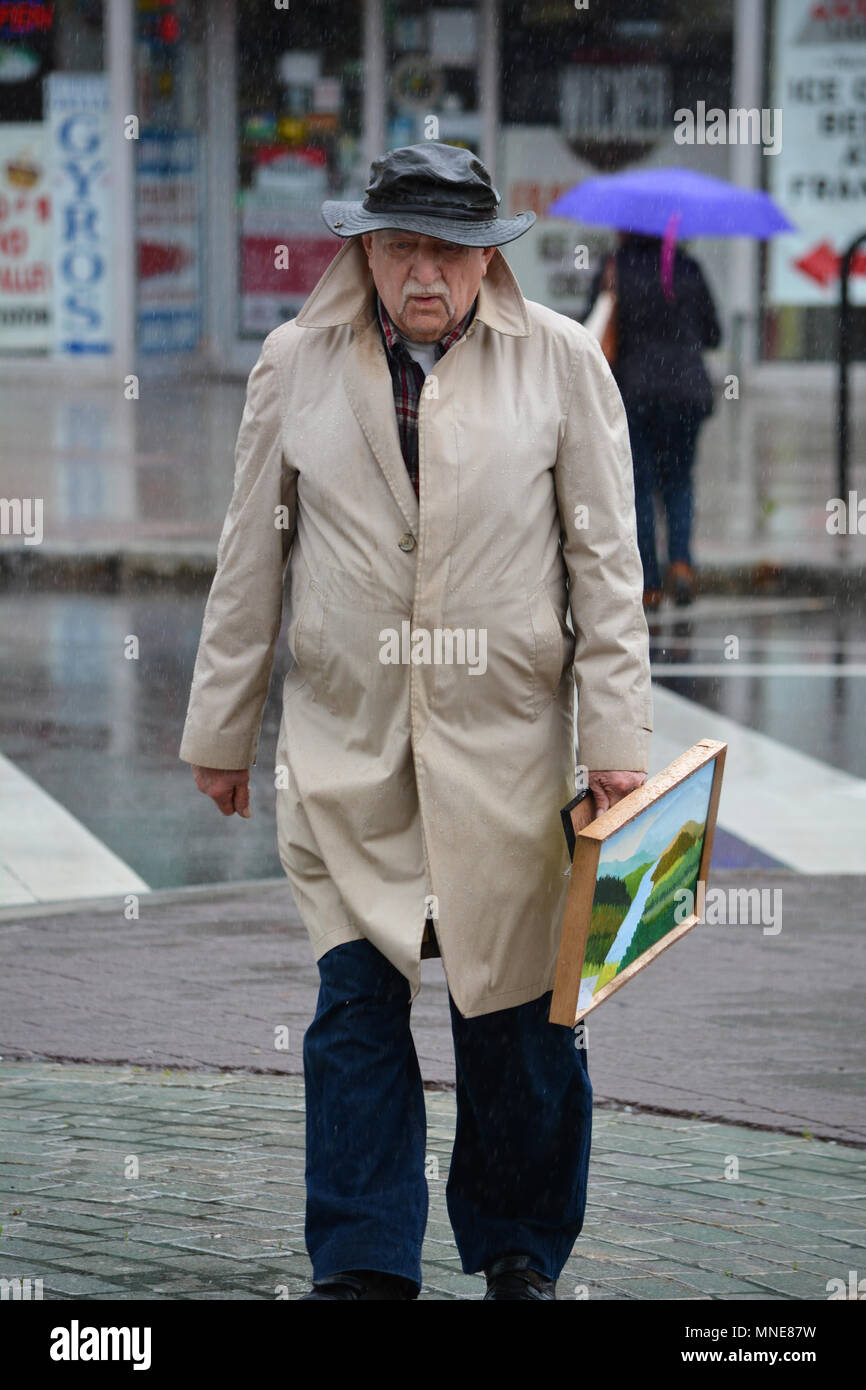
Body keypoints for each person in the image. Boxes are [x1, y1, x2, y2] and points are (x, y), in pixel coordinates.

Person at [179, 143, 652, 1300]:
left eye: (449, 249)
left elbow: (605, 568)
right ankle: (362, 1261)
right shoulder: (296, 365)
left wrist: (617, 747)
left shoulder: (557, 368)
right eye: (401, 248)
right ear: (366, 251)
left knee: (519, 1030)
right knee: (353, 1011)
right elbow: (252, 560)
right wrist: (220, 732)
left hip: (508, 759)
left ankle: (515, 1249)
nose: (423, 272)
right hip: (347, 752)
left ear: (488, 258)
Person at [589, 232, 722, 609]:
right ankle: (680, 563)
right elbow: (714, 333)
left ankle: (648, 583)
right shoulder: (689, 267)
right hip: (687, 393)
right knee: (679, 481)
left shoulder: (616, 267)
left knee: (640, 486)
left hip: (636, 394)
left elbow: (593, 330)